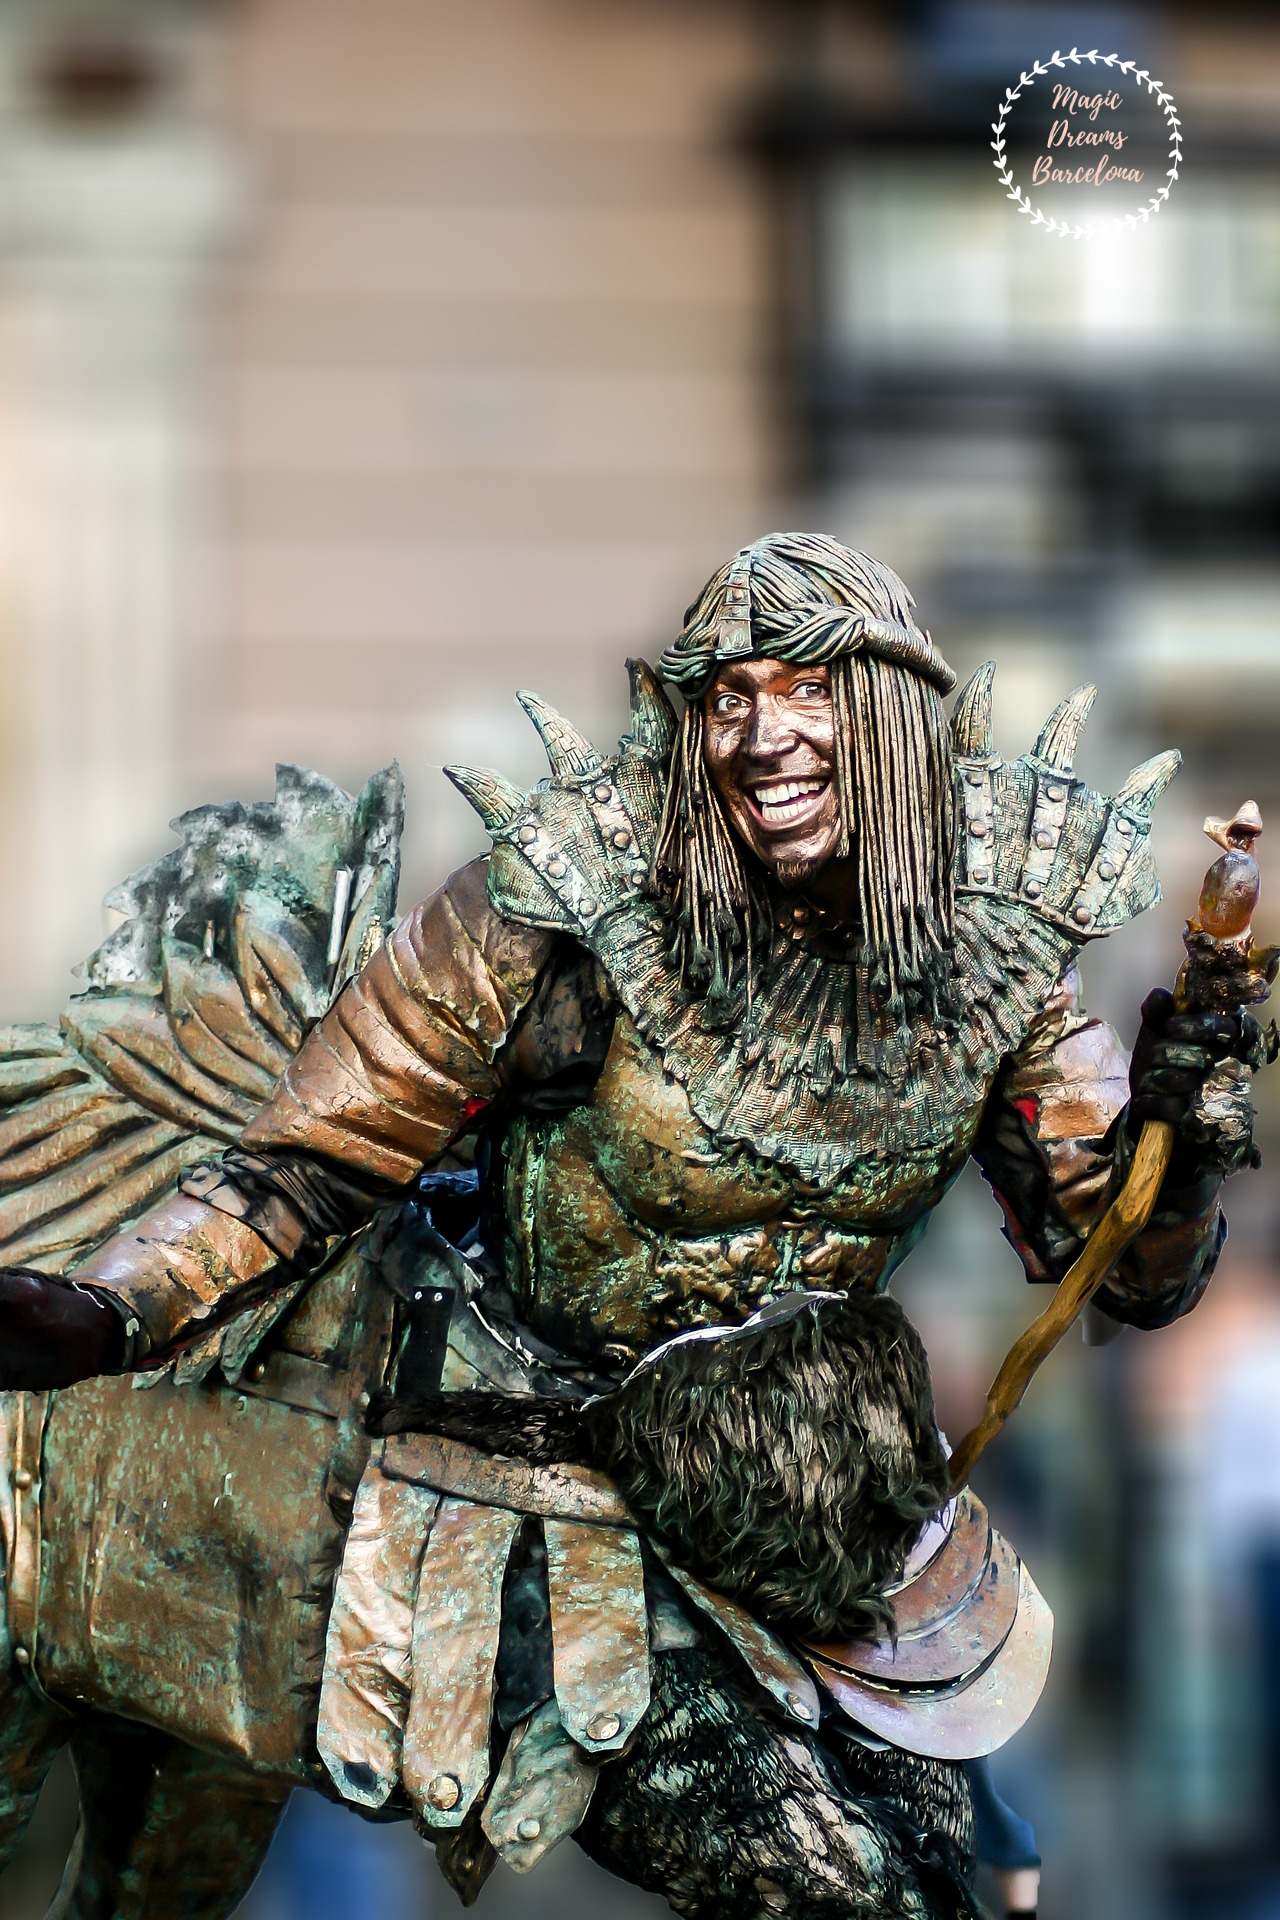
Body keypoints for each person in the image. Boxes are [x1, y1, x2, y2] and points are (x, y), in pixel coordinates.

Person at [0, 534, 1260, 1918]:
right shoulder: (556, 917)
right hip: (538, 1486)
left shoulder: (997, 951)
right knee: (840, 1895)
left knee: (956, 1885)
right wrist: (110, 1310)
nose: (762, 735)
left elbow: (1124, 1268)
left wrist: (1185, 1142)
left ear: (899, 719)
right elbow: (309, 1163)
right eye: (729, 696)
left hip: (818, 1517)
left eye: (812, 690)